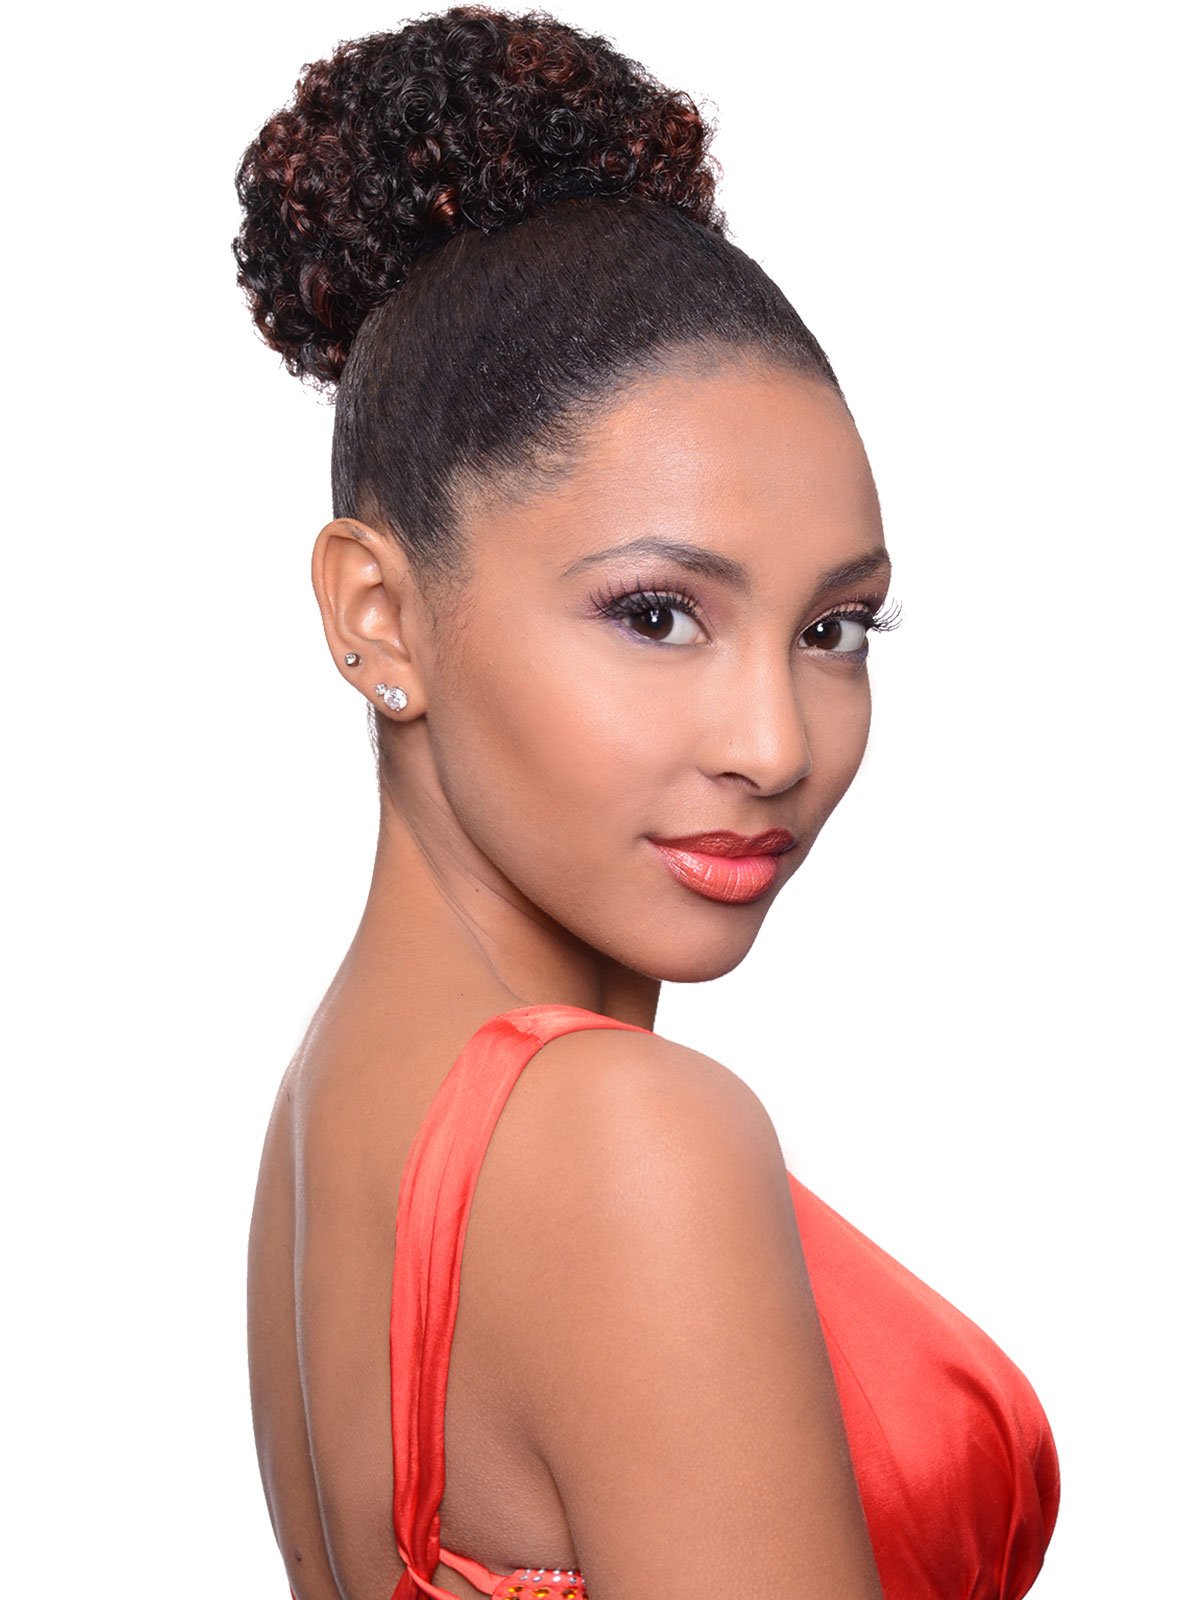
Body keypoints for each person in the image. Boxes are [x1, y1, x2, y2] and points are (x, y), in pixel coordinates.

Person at [233, 7, 1060, 1599]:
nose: (774, 743)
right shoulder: (625, 1140)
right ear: (378, 617)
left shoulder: (328, 1117)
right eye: (658, 614)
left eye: (835, 629)